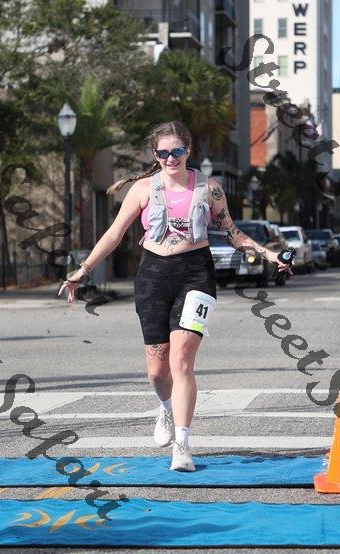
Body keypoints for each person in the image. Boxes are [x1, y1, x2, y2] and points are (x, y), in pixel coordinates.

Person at [58, 121, 291, 472]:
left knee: (181, 362)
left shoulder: (210, 189)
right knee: (157, 370)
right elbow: (114, 233)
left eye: (177, 151)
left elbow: (232, 233)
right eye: (163, 152)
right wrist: (84, 269)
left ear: (188, 151)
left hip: (196, 275)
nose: (170, 158)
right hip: (153, 276)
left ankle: (182, 445)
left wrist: (269, 254)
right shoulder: (142, 189)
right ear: (155, 155)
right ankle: (165, 409)